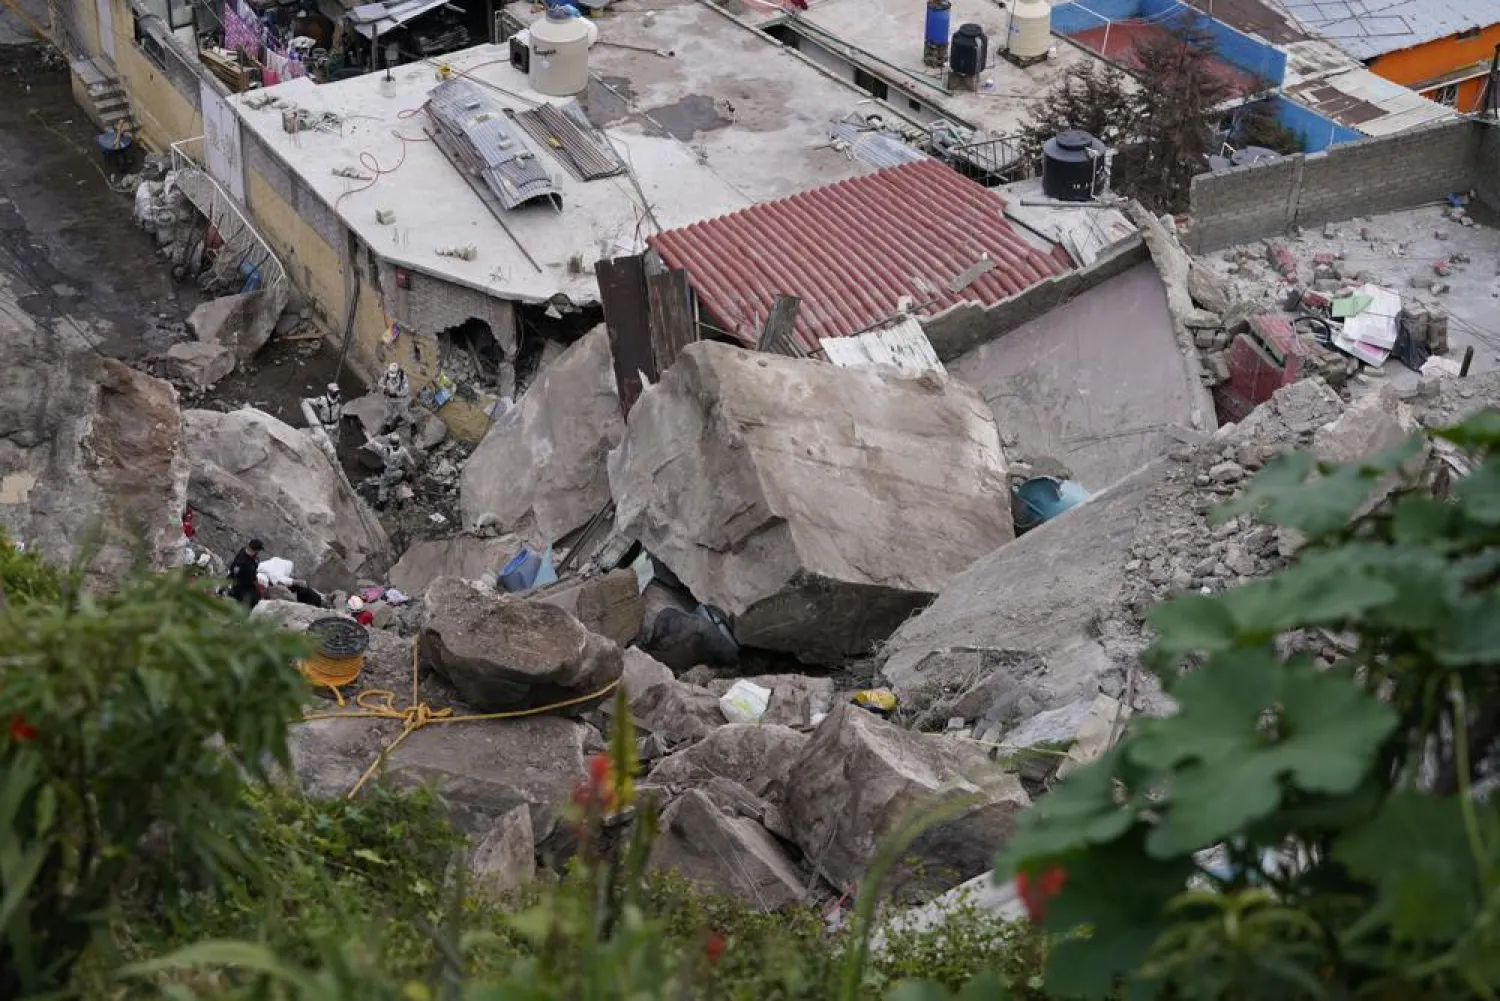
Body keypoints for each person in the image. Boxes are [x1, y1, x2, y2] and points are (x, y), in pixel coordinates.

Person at [372, 433, 415, 507]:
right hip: (398, 473)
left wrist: (372, 440)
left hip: (388, 472)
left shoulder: (386, 450)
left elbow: (377, 446)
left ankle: (381, 504)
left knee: (383, 486)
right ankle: (400, 503)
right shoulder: (403, 450)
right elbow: (411, 462)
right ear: (398, 441)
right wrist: (411, 470)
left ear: (390, 441)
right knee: (398, 486)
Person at [227, 539, 264, 609]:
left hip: (237, 583)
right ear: (256, 550)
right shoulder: (245, 563)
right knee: (255, 600)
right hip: (241, 587)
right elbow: (250, 579)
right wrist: (258, 587)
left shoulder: (243, 551)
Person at [377, 362, 410, 433]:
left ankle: (402, 418)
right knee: (388, 412)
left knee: (402, 410)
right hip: (389, 397)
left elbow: (406, 390)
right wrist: (384, 388)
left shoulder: (403, 377)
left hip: (400, 398)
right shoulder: (386, 374)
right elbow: (380, 383)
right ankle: (388, 426)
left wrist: (397, 394)